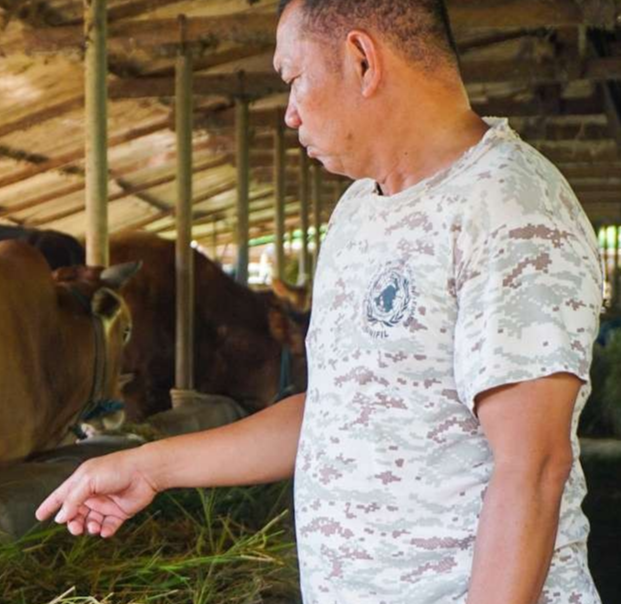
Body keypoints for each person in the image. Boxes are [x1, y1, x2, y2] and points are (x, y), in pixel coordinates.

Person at [35, 1, 604, 602]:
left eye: (294, 78)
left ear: (362, 60)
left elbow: (533, 469)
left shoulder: (509, 208)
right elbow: (340, 409)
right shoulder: (360, 210)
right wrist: (149, 466)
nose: (288, 113)